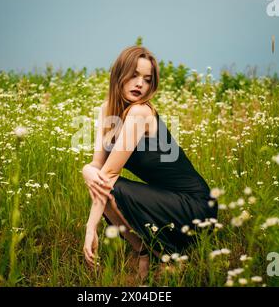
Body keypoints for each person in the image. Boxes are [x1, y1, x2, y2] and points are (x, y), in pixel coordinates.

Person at [82, 45, 217, 280]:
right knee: (98, 180)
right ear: (119, 75)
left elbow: (109, 174)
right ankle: (144, 252)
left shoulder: (139, 113)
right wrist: (86, 170)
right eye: (134, 75)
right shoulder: (107, 110)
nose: (139, 84)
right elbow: (97, 165)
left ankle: (170, 259)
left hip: (196, 207)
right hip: (166, 198)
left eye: (147, 79)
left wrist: (90, 227)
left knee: (108, 185)